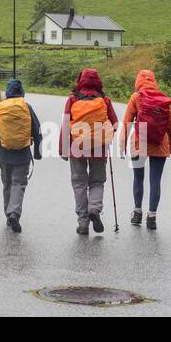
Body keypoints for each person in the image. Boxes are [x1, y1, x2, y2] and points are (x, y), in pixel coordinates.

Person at [58, 68, 118, 235]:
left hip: (77, 146)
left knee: (79, 184)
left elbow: (65, 124)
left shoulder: (72, 99)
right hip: (99, 146)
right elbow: (115, 122)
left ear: (81, 81)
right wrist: (108, 136)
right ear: (98, 82)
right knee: (97, 182)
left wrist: (62, 149)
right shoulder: (105, 100)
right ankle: (94, 209)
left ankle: (83, 223)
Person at [0, 78, 42, 231]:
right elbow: (37, 130)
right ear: (22, 92)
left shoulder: (0, 108)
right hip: (23, 153)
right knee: (19, 183)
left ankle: (8, 214)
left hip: (3, 153)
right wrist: (37, 153)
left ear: (7, 93)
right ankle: (14, 213)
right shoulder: (26, 107)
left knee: (7, 183)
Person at [122, 69, 171, 229]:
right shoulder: (162, 98)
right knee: (155, 181)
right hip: (160, 143)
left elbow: (127, 122)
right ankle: (152, 216)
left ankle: (137, 213)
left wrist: (123, 145)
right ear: (154, 81)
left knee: (138, 178)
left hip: (139, 143)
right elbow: (170, 123)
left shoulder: (136, 97)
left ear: (138, 81)